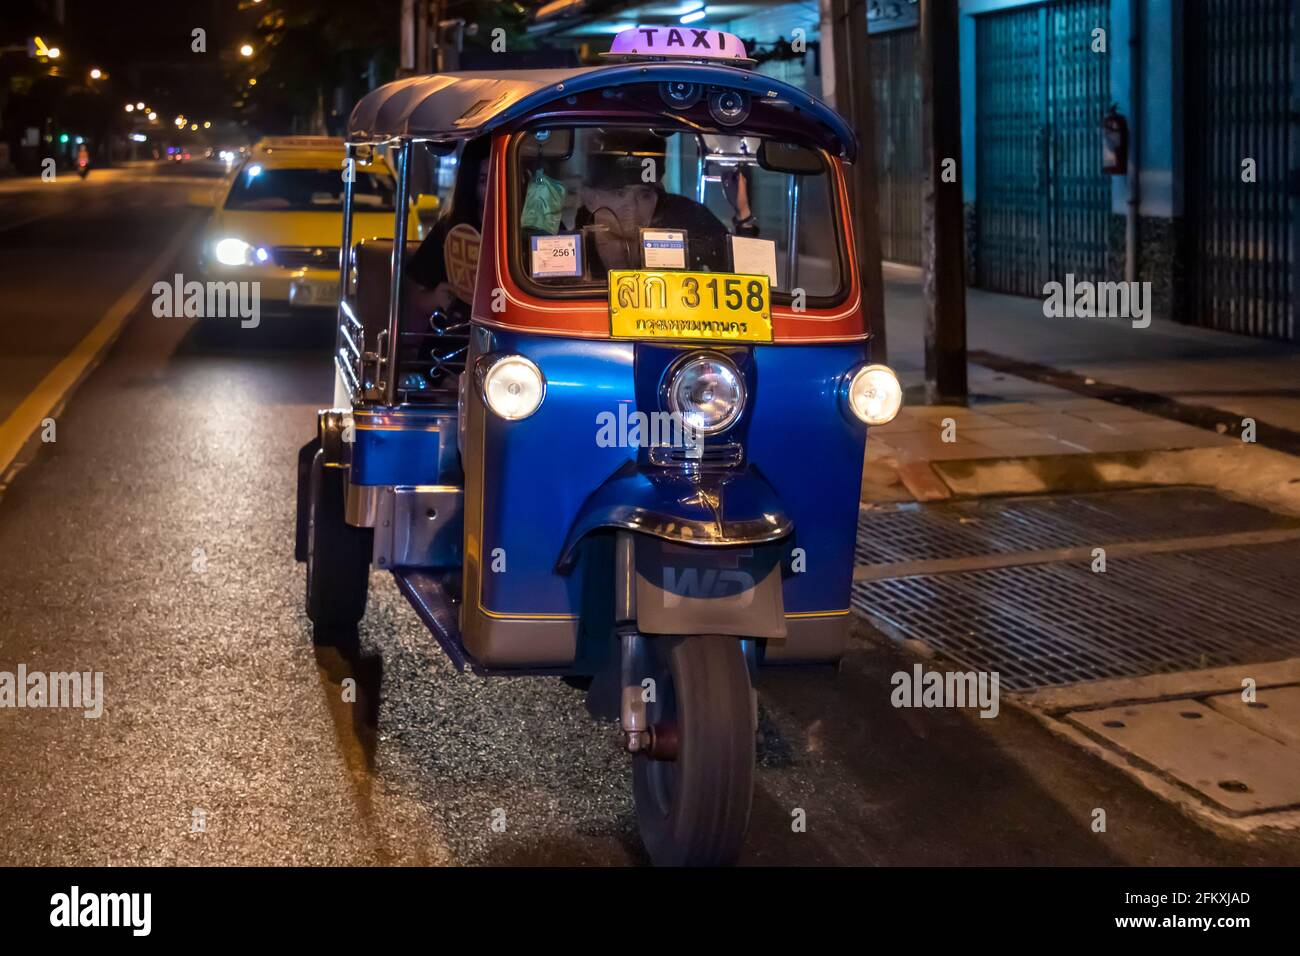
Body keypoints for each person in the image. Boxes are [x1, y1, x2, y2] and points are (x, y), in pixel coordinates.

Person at [575, 130, 757, 278]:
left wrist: (744, 215)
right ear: (590, 198)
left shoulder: (687, 219)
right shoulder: (577, 239)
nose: (631, 206)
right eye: (619, 193)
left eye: (644, 195)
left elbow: (743, 281)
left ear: (657, 193)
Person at [406, 137, 490, 315]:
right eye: (484, 180)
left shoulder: (531, 229)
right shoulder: (449, 229)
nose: (493, 187)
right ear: (471, 183)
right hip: (456, 334)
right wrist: (436, 298)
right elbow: (416, 298)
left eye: (502, 175)